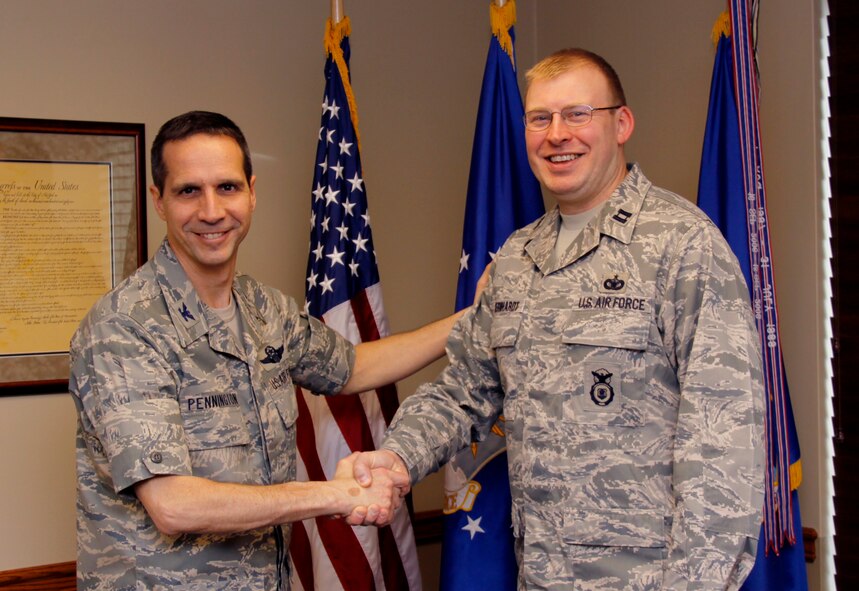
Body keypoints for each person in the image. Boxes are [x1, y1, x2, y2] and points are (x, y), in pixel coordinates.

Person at [348, 48, 766, 590]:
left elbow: (724, 442)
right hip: (541, 575)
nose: (557, 134)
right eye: (539, 118)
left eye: (577, 114)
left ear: (621, 124)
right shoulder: (517, 260)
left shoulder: (682, 245)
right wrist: (398, 458)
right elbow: (465, 391)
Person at [69, 110, 460, 590]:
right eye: (188, 190)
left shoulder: (265, 310)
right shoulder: (124, 327)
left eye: (228, 187)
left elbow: (353, 366)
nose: (212, 211)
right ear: (159, 200)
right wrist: (334, 495)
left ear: (252, 192)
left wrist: (472, 321)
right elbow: (173, 504)